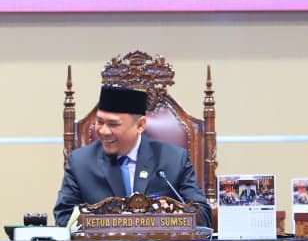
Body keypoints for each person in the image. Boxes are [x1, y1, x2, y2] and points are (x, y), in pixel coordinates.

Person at [54, 85, 212, 229]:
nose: (103, 131)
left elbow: (203, 215)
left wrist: (176, 212)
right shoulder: (80, 162)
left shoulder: (174, 159)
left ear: (140, 125)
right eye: (99, 122)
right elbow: (63, 217)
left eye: (113, 124)